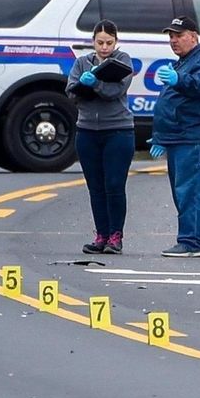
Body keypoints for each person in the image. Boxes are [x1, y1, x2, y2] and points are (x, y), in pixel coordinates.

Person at [149, 16, 200, 258]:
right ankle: (196, 239)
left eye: (179, 35)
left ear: (194, 36)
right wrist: (161, 137)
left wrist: (179, 79)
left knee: (189, 190)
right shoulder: (183, 63)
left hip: (196, 138)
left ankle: (191, 241)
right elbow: (172, 105)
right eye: (171, 36)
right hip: (181, 137)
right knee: (189, 190)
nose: (173, 40)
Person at [65, 20, 135, 255]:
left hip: (118, 130)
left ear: (116, 42)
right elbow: (71, 92)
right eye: (100, 42)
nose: (104, 47)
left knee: (114, 184)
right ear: (93, 42)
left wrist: (96, 84)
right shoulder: (81, 63)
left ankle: (116, 235)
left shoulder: (122, 61)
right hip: (87, 131)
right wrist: (82, 85)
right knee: (95, 187)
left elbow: (116, 91)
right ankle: (101, 235)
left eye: (109, 43)